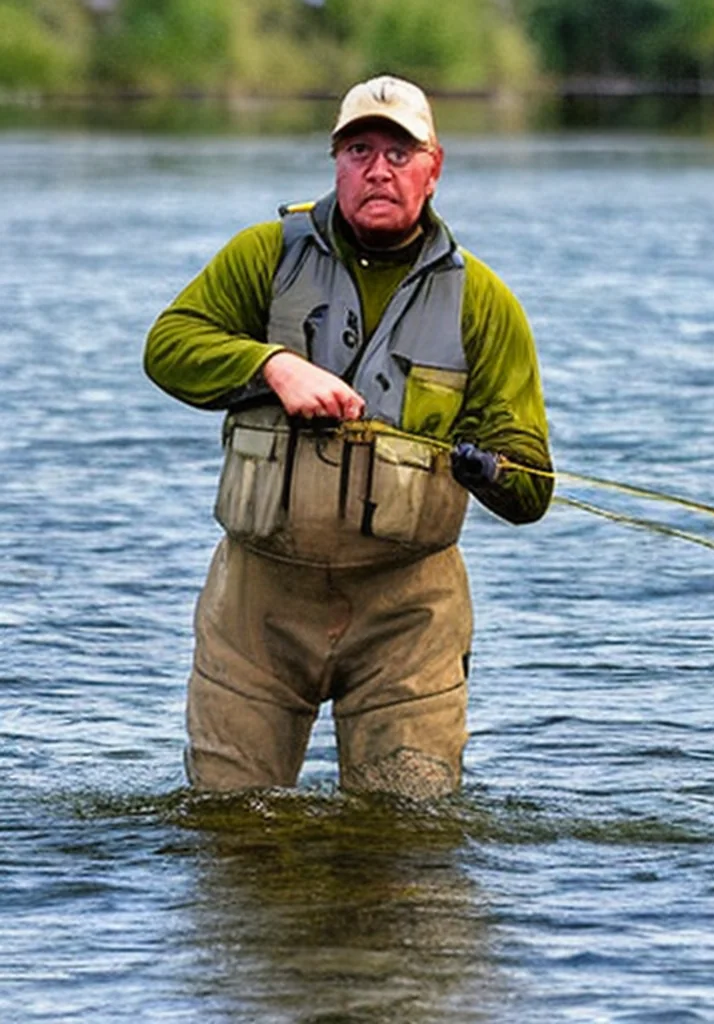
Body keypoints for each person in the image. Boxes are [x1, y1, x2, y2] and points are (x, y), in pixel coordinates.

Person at [144, 74, 553, 799]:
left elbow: (532, 487)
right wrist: (271, 366)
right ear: (335, 162)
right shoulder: (264, 255)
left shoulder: (484, 303)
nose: (378, 170)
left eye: (400, 153)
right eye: (359, 150)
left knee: (408, 832)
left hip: (409, 615)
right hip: (257, 606)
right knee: (229, 821)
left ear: (434, 168)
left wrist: (490, 470)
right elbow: (168, 347)